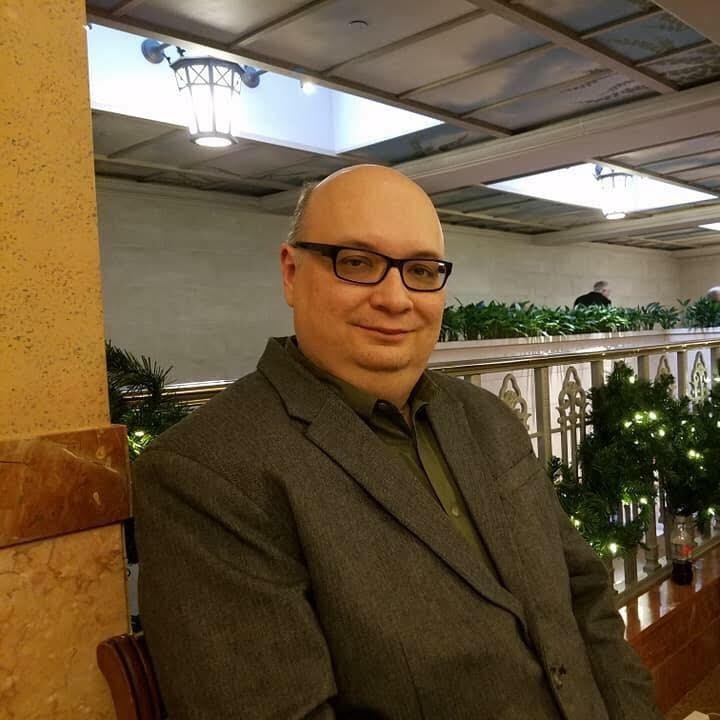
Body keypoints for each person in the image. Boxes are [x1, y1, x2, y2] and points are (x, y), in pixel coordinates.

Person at [133, 165, 660, 719]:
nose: (395, 297)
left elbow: (585, 599)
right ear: (291, 273)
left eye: (421, 270)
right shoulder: (207, 474)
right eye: (357, 263)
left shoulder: (487, 417)